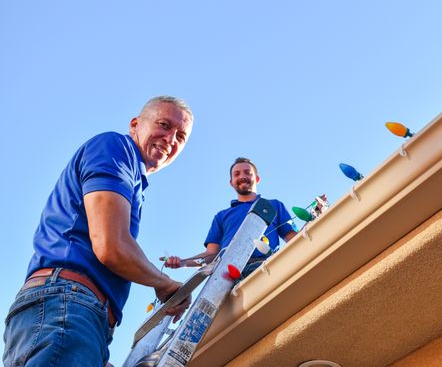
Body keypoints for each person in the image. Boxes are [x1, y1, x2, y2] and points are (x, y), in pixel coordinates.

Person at [3, 96, 194, 367]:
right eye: (164, 124)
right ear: (135, 125)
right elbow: (111, 245)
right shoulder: (115, 149)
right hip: (66, 306)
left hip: (61, 315)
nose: (170, 138)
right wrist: (164, 283)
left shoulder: (133, 180)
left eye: (181, 136)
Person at [164, 157, 297, 274]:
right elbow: (211, 255)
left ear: (256, 179)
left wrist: (315, 220)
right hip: (228, 276)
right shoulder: (221, 216)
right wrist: (183, 262)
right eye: (236, 174)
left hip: (267, 268)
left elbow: (293, 239)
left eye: (247, 172)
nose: (242, 176)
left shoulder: (274, 206)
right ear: (231, 182)